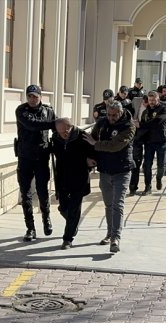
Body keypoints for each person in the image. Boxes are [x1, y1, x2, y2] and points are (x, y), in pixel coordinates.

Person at [83, 100, 134, 253]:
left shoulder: (129, 126)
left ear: (121, 112)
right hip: (105, 170)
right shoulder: (102, 123)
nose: (112, 118)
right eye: (109, 114)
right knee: (108, 205)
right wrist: (90, 158)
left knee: (118, 204)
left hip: (122, 170)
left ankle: (115, 238)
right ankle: (109, 233)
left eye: (115, 115)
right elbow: (90, 140)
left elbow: (115, 145)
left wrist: (96, 144)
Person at [14, 85, 56, 241]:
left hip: (42, 157)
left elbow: (57, 131)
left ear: (40, 97)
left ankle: (46, 219)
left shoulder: (48, 111)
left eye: (35, 96)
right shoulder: (21, 110)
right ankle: (30, 228)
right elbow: (32, 125)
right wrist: (53, 123)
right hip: (25, 157)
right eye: (30, 96)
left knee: (42, 191)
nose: (32, 99)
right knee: (25, 193)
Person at [49, 118, 95, 250]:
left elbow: (93, 153)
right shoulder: (56, 138)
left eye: (65, 131)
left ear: (71, 127)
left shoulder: (83, 136)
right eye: (60, 132)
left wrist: (89, 161)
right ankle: (73, 224)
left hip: (79, 177)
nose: (64, 134)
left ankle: (67, 239)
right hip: (62, 178)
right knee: (63, 207)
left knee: (74, 208)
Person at [138, 90, 166, 195]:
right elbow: (141, 127)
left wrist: (141, 125)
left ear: (158, 99)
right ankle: (148, 186)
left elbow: (157, 122)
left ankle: (159, 178)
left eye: (153, 100)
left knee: (161, 166)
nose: (151, 102)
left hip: (161, 141)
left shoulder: (163, 109)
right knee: (147, 165)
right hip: (149, 142)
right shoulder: (145, 112)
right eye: (150, 100)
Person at [129, 94, 148, 196]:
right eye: (145, 103)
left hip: (148, 136)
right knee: (136, 161)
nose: (146, 105)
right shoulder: (136, 100)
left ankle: (147, 186)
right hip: (136, 136)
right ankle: (133, 187)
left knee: (147, 163)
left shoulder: (154, 107)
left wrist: (140, 124)